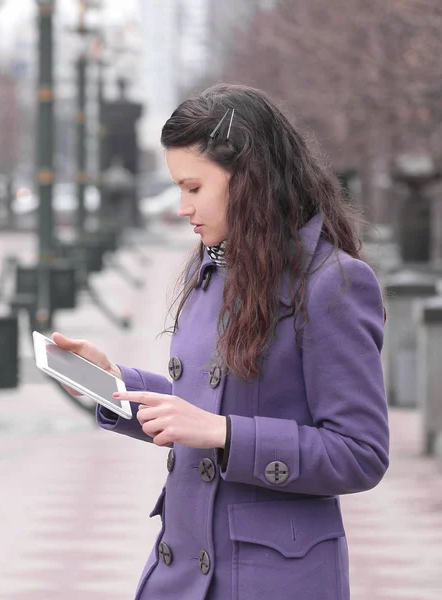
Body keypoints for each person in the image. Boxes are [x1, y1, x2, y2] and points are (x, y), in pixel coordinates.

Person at [53, 83, 389, 600]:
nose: (183, 207)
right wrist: (115, 384)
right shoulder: (215, 267)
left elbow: (360, 452)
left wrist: (226, 433)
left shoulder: (333, 283)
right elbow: (207, 409)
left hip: (271, 579)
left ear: (249, 180)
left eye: (193, 188)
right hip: (181, 569)